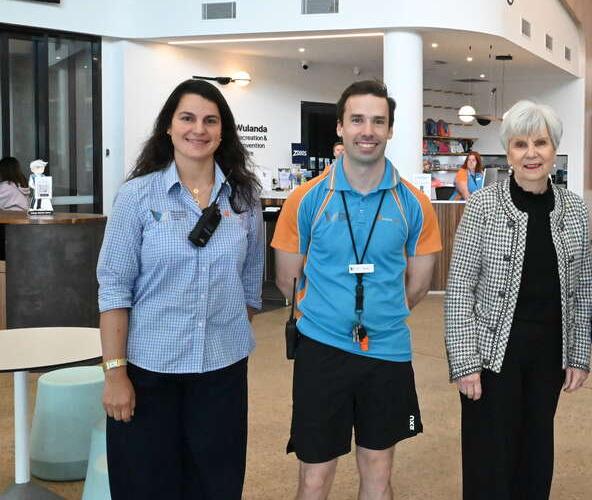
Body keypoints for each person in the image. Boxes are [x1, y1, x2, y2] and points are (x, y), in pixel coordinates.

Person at [272, 80, 441, 500]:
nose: (368, 130)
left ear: (389, 130)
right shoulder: (306, 199)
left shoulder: (414, 204)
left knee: (379, 471)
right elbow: (287, 279)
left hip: (387, 352)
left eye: (378, 121)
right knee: (315, 475)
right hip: (321, 350)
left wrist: (380, 314)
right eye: (358, 120)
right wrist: (330, 314)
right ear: (340, 128)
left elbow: (419, 284)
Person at [96, 79, 264, 499]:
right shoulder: (136, 196)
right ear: (168, 127)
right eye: (187, 118)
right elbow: (114, 288)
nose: (199, 129)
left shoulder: (244, 200)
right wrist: (116, 374)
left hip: (222, 374)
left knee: (216, 484)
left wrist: (220, 334)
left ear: (223, 131)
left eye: (211, 120)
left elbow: (249, 287)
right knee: (146, 484)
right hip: (149, 372)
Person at [445, 99, 592, 500]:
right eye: (520, 144)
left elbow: (582, 290)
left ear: (553, 149)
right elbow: (459, 288)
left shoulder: (574, 208)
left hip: (547, 355)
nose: (531, 154)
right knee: (489, 457)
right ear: (508, 152)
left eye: (540, 143)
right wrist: (464, 362)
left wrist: (578, 355)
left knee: (535, 451)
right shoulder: (482, 206)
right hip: (492, 355)